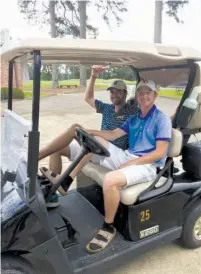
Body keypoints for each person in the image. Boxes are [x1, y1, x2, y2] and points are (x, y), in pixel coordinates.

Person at [40, 79, 172, 254]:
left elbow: (159, 153)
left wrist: (132, 162)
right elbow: (112, 134)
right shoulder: (134, 118)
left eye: (149, 92)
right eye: (141, 92)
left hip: (147, 165)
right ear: (137, 94)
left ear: (155, 95)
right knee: (93, 142)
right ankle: (65, 182)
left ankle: (108, 227)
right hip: (128, 157)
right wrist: (90, 132)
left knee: (110, 180)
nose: (144, 95)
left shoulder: (161, 119)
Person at [39, 65, 139, 208]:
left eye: (118, 92)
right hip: (98, 149)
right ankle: (52, 193)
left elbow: (149, 113)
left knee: (91, 141)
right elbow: (88, 97)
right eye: (112, 91)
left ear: (125, 93)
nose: (114, 94)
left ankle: (65, 180)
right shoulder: (107, 108)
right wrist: (93, 76)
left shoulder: (132, 111)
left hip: (112, 155)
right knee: (61, 146)